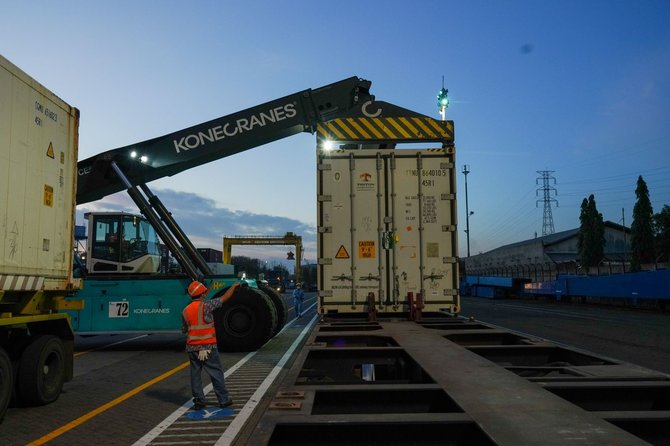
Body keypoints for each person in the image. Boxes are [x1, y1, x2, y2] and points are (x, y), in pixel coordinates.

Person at [182, 280, 241, 410]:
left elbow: (185, 329)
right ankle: (223, 399)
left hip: (192, 347)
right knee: (216, 372)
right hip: (208, 346)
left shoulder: (185, 310)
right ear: (202, 294)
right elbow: (225, 298)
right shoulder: (207, 306)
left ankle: (199, 400)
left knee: (195, 374)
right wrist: (233, 286)